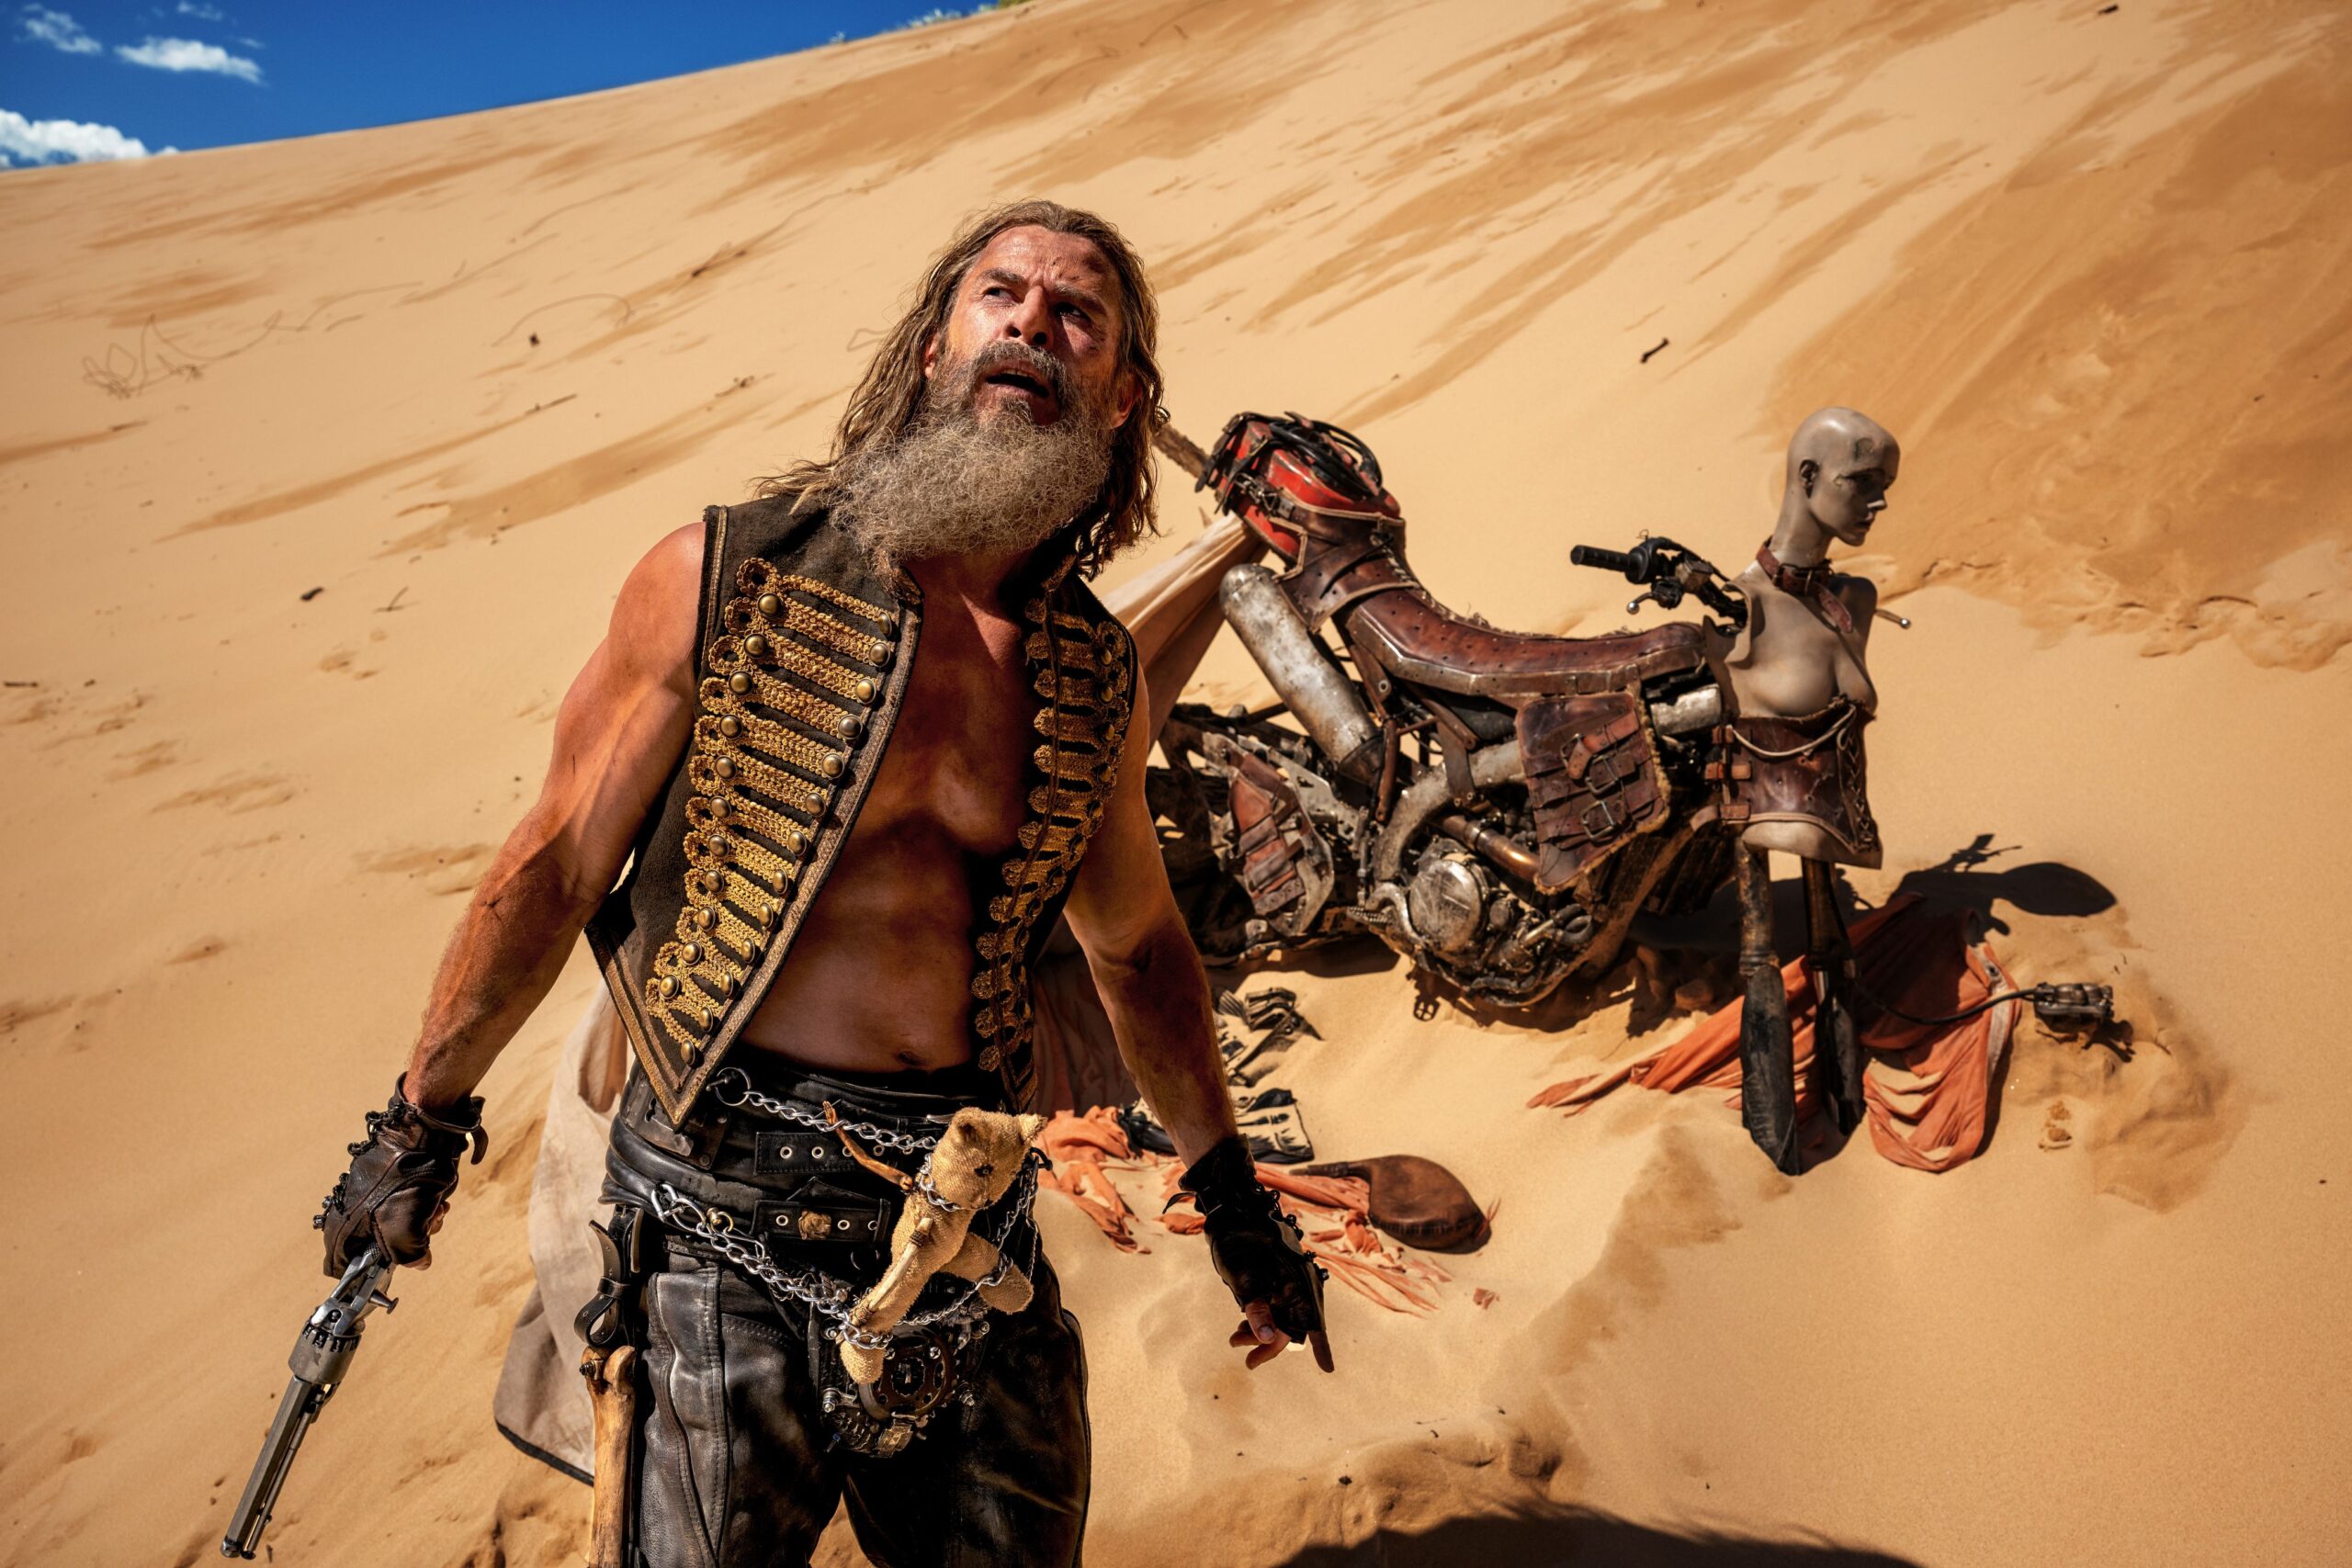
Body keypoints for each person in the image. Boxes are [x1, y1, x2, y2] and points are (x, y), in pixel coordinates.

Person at [311, 199, 1330, 1568]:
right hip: (714, 1222)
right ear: (934, 345)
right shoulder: (721, 576)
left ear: (1120, 397)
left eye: (1077, 314)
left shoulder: (1095, 675)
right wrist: (418, 1122)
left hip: (965, 1225)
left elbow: (1138, 947)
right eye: (1001, 294)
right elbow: (554, 863)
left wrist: (1235, 1198)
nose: (1033, 323)